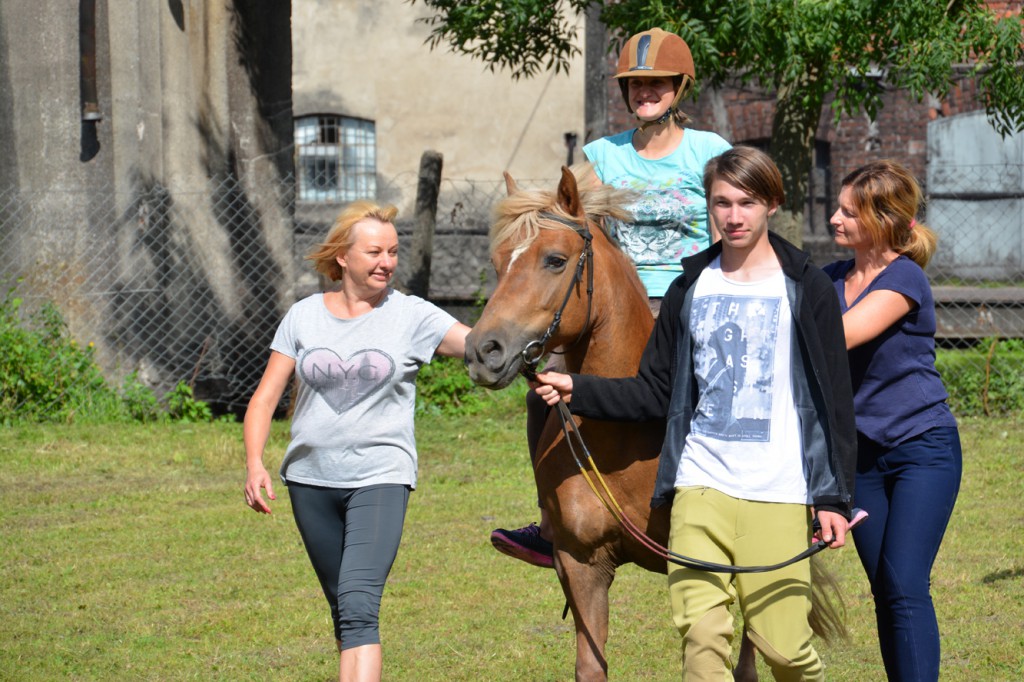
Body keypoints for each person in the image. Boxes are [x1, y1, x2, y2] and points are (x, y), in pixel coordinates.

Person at [532, 146, 857, 678]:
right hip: (700, 486)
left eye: (747, 203)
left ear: (772, 204)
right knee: (702, 645)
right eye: (722, 203)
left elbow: (834, 401)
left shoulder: (807, 287)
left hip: (776, 490)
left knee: (784, 650)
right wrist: (577, 388)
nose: (733, 216)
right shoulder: (689, 288)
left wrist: (833, 497)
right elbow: (655, 392)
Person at [490, 27, 732, 568]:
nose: (644, 92)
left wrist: (716, 293)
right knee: (542, 394)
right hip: (615, 304)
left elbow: (725, 230)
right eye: (635, 84)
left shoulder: (709, 151)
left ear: (678, 87)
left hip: (689, 299)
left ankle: (746, 501)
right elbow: (573, 221)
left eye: (656, 83)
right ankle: (551, 523)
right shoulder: (601, 156)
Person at [243, 200, 470, 682]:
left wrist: (529, 346)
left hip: (380, 476)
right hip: (310, 481)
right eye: (374, 252)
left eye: (393, 251)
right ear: (343, 257)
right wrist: (255, 463)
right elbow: (264, 399)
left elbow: (479, 346)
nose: (387, 262)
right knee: (343, 608)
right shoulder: (303, 316)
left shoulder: (411, 315)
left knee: (359, 604)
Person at [824, 161, 961, 681]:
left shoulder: (904, 277)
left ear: (882, 221)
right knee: (885, 589)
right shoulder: (829, 279)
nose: (834, 219)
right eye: (837, 208)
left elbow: (838, 336)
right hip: (860, 458)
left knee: (904, 583)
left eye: (848, 212)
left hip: (922, 449)